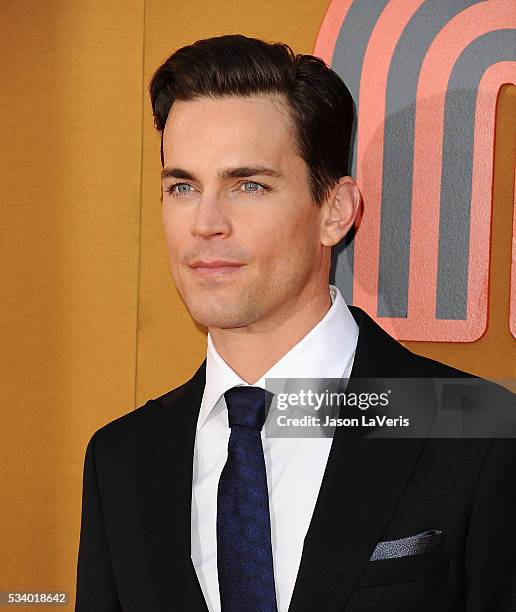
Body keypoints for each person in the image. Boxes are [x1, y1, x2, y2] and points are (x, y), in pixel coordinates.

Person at [75, 34, 516, 611]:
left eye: (249, 186)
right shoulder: (121, 459)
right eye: (183, 186)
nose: (206, 223)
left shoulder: (478, 429)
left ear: (335, 210)